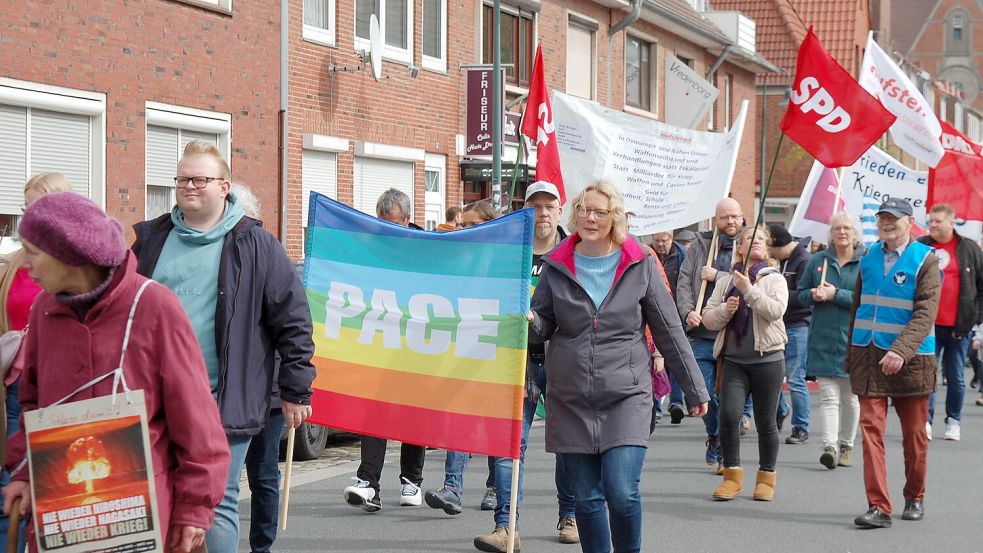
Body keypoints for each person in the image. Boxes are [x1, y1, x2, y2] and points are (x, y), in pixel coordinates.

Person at [3, 192, 230, 553]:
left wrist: (194, 509)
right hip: (61, 516)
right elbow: (33, 404)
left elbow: (196, 420)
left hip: (140, 518)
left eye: (32, 250)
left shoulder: (154, 306)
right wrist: (25, 472)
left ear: (69, 254)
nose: (24, 262)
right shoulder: (44, 309)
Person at [132, 140, 316, 552]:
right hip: (155, 400)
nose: (188, 186)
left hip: (224, 398)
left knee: (215, 500)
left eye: (199, 179)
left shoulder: (255, 244)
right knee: (159, 498)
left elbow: (293, 320)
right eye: (182, 179)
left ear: (224, 186)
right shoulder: (152, 240)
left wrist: (296, 389)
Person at [529, 180, 709, 553]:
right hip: (570, 397)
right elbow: (544, 324)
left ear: (615, 218)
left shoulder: (639, 263)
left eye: (599, 211)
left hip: (627, 395)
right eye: (583, 210)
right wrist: (530, 319)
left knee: (621, 492)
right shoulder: (556, 265)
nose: (590, 218)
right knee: (588, 499)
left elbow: (669, 330)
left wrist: (694, 388)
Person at [469, 181, 578, 552]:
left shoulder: (574, 254)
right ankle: (505, 526)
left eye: (550, 206)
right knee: (508, 444)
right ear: (525, 210)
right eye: (536, 206)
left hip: (563, 360)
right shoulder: (506, 252)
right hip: (515, 362)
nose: (543, 213)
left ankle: (570, 515)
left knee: (569, 444)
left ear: (560, 211)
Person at [849, 197, 940, 529]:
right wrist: (850, 356)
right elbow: (858, 308)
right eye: (882, 218)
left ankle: (914, 495)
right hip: (869, 357)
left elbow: (925, 314)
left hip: (912, 361)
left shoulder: (925, 260)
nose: (886, 223)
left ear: (910, 222)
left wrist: (901, 350)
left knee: (914, 436)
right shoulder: (867, 258)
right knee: (870, 432)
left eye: (894, 218)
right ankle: (878, 506)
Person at [342, 188, 428, 513]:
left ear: (407, 220)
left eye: (391, 224)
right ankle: (369, 484)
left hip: (417, 346)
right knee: (375, 414)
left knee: (413, 413)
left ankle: (411, 482)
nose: (386, 231)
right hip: (380, 343)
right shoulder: (370, 251)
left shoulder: (427, 251)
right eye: (381, 223)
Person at [0, 172, 73, 553]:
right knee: (12, 476)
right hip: (14, 386)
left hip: (60, 387)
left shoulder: (81, 266)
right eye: (26, 208)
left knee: (57, 481)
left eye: (37, 208)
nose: (29, 216)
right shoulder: (10, 264)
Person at [702, 226, 788, 501]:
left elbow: (775, 311)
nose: (756, 242)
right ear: (741, 247)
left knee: (765, 420)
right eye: (750, 238)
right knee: (728, 415)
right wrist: (725, 311)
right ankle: (732, 475)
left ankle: (766, 477)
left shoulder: (774, 279)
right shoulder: (726, 281)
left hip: (768, 359)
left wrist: (749, 290)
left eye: (761, 239)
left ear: (767, 248)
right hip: (735, 361)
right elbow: (708, 319)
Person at [229, 183, 285, 553]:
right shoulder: (214, 255)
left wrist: (294, 390)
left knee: (263, 474)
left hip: (268, 391)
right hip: (231, 389)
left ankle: (261, 547)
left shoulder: (267, 252)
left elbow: (292, 323)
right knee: (225, 482)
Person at [676, 198, 744, 467]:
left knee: (729, 396)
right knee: (701, 391)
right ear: (716, 220)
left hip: (732, 334)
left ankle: (728, 446)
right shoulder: (701, 245)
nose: (730, 222)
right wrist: (687, 311)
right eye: (725, 217)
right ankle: (715, 434)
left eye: (735, 216)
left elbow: (750, 278)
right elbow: (683, 281)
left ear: (741, 217)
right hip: (701, 332)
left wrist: (718, 275)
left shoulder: (748, 244)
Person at [797, 213, 862, 469]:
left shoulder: (864, 262)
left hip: (853, 338)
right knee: (828, 397)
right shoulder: (818, 261)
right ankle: (829, 446)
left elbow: (865, 299)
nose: (842, 232)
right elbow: (800, 294)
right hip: (822, 338)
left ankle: (847, 444)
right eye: (837, 228)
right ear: (831, 233)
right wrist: (813, 294)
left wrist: (837, 294)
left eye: (847, 227)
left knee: (851, 398)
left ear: (854, 233)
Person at [918, 204, 983, 441]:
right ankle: (926, 419)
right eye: (931, 221)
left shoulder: (969, 248)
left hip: (958, 327)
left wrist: (975, 319)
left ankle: (953, 420)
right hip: (926, 325)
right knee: (927, 374)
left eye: (938, 221)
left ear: (952, 223)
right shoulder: (921, 246)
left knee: (955, 376)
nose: (933, 225)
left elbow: (980, 286)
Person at [767, 224, 813, 444]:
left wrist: (779, 293)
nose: (771, 254)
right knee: (773, 376)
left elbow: (806, 296)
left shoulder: (804, 261)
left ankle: (801, 426)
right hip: (780, 324)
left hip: (798, 324)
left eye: (772, 249)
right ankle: (781, 410)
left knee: (795, 378)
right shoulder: (783, 261)